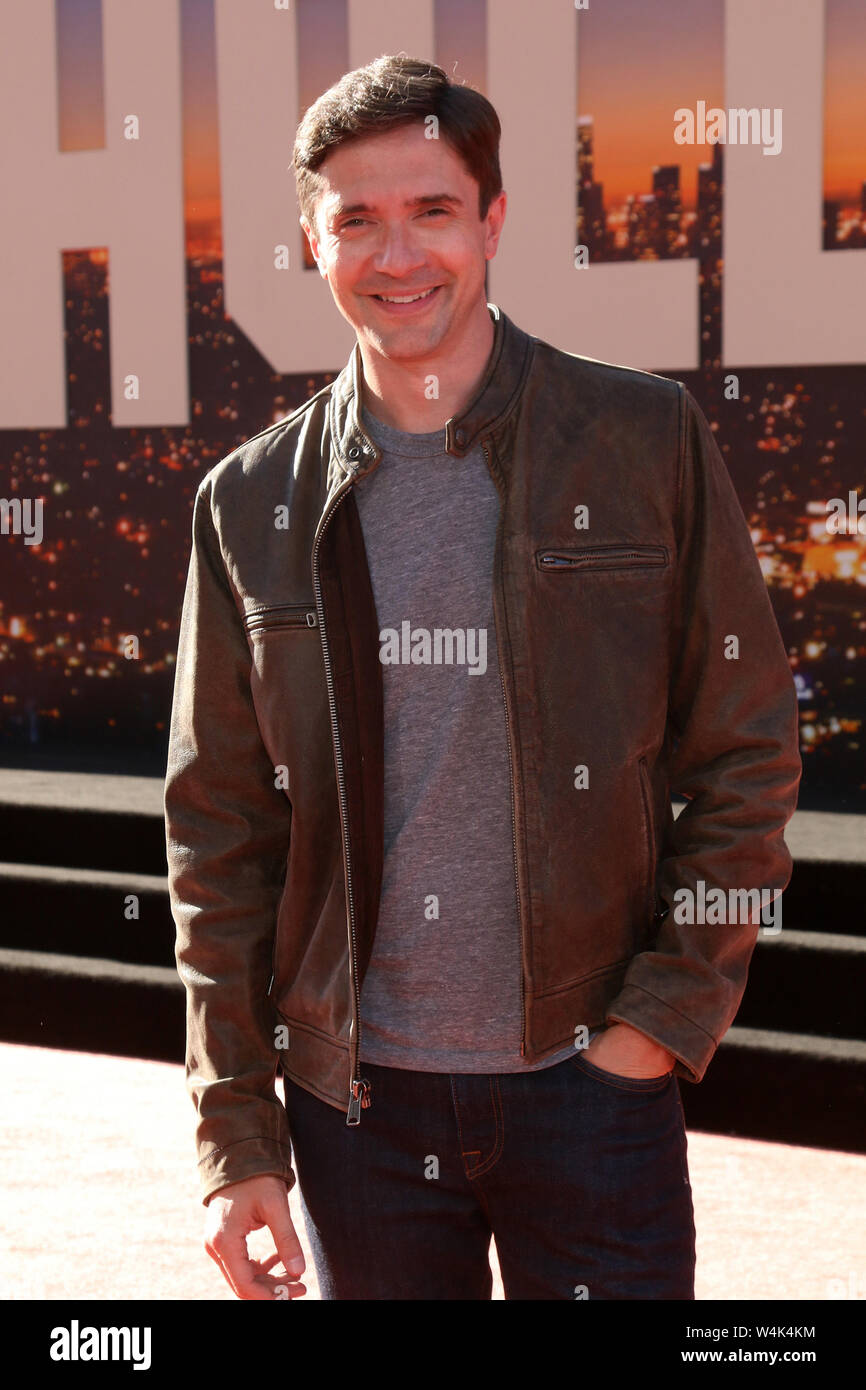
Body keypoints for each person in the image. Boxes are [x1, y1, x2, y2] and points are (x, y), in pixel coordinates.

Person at [164, 54, 802, 1301]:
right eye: (356, 219)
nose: (396, 255)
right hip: (354, 1107)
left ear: (492, 219)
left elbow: (745, 748)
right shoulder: (248, 502)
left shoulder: (638, 437)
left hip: (591, 1090)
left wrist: (657, 1024)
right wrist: (236, 1138)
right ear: (313, 240)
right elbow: (219, 834)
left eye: (431, 211)